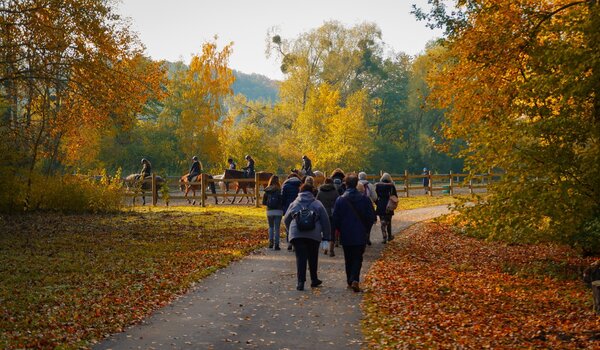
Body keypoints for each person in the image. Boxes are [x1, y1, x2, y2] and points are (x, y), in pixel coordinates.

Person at [332, 173, 376, 292]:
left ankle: (350, 280)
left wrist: (338, 231)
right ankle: (355, 279)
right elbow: (371, 216)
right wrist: (366, 229)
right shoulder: (365, 199)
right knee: (358, 257)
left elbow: (335, 218)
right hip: (360, 233)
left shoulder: (340, 200)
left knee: (348, 257)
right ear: (357, 184)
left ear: (346, 184)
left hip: (346, 233)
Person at [284, 183, 331, 291]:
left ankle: (300, 282)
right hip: (313, 234)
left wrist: (290, 231)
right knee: (313, 256)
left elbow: (286, 219)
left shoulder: (294, 203)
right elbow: (325, 221)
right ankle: (314, 279)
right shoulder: (317, 204)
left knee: (300, 258)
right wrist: (326, 237)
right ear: (312, 192)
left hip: (297, 234)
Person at [316, 178, 339, 257]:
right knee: (332, 231)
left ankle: (325, 248)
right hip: (333, 213)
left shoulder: (320, 192)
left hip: (323, 213)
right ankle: (331, 250)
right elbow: (338, 202)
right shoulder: (335, 192)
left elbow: (317, 202)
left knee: (324, 231)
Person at [375, 173, 398, 244]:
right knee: (388, 221)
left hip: (380, 204)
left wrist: (377, 203)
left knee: (382, 221)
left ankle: (384, 237)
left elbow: (376, 196)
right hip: (389, 204)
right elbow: (395, 196)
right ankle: (389, 236)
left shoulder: (378, 185)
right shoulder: (391, 186)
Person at [262, 175, 284, 250]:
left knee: (271, 227)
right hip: (278, 211)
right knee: (277, 228)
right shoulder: (280, 190)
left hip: (269, 211)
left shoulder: (267, 190)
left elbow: (263, 202)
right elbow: (282, 201)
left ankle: (270, 242)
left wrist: (269, 204)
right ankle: (277, 245)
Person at [282, 173, 302, 251]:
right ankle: (295, 243)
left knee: (288, 224)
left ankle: (289, 242)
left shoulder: (285, 185)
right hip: (298, 206)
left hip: (288, 207)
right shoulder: (300, 185)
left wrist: (283, 207)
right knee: (297, 224)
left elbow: (283, 197)